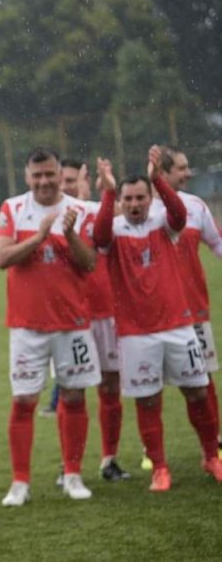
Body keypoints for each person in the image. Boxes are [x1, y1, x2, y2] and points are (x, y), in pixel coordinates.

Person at [93, 147, 222, 491]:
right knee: (148, 401)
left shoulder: (165, 224)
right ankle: (160, 468)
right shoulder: (115, 228)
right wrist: (107, 191)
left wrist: (157, 181)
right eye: (128, 198)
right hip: (136, 334)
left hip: (179, 326)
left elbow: (179, 214)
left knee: (197, 392)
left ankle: (211, 456)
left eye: (141, 197)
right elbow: (99, 238)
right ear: (121, 201)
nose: (135, 204)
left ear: (151, 199)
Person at [0, 147, 101, 506]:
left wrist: (68, 235)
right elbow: (1, 258)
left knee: (73, 396)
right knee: (24, 400)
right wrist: (39, 237)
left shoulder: (81, 210)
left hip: (72, 323)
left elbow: (89, 264)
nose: (43, 181)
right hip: (27, 325)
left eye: (49, 174)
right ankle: (20, 482)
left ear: (60, 174)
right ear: (27, 177)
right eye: (36, 175)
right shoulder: (13, 208)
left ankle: (72, 475)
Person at [60, 159, 130, 482]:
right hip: (71, 316)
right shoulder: (46, 215)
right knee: (72, 391)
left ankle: (108, 460)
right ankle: (69, 466)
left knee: (110, 386)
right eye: (65, 180)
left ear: (87, 182)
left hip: (107, 313)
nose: (69, 186)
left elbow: (119, 217)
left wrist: (110, 191)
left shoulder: (100, 211)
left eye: (75, 179)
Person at [157, 146, 222, 452]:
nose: (187, 174)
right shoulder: (142, 205)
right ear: (164, 172)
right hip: (152, 315)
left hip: (194, 309)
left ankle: (214, 441)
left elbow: (217, 242)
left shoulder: (195, 206)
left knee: (203, 378)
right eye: (181, 168)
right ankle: (152, 449)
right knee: (149, 384)